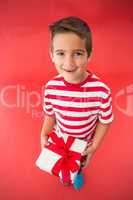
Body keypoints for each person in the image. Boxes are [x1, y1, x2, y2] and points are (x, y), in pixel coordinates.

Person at [40, 16, 114, 189]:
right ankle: (66, 174)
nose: (69, 63)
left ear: (89, 54)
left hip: (83, 143)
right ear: (51, 55)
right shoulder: (51, 87)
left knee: (79, 163)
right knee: (63, 166)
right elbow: (50, 114)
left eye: (78, 53)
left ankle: (78, 172)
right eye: (61, 53)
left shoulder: (101, 91)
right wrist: (44, 133)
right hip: (61, 139)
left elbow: (105, 120)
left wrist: (94, 146)